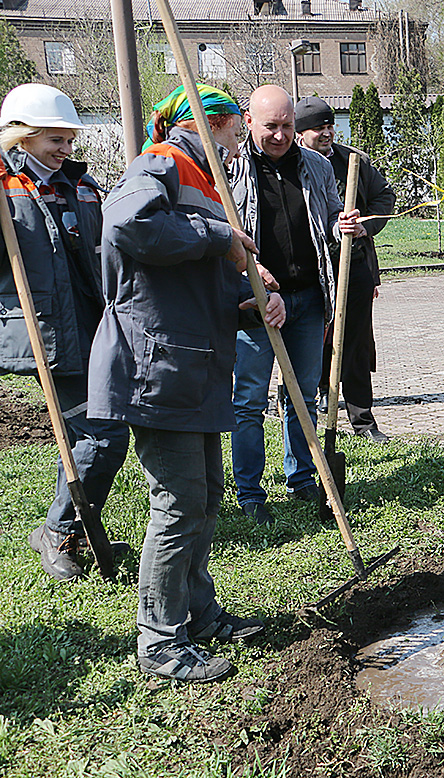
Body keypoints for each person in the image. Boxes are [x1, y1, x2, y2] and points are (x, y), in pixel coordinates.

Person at [89, 84, 286, 682]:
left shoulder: (202, 180)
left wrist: (254, 299)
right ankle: (160, 640)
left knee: (204, 496)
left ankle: (197, 616)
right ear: (211, 124)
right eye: (231, 131)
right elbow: (127, 226)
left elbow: (198, 282)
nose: (236, 145)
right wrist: (219, 237)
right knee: (177, 503)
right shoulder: (163, 164)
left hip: (194, 368)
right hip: (157, 368)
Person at [0, 83, 130, 581]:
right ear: (23, 138)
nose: (66, 150)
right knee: (101, 435)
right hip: (49, 335)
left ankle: (66, 528)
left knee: (86, 436)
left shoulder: (80, 185)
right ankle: (59, 530)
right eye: (55, 140)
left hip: (95, 327)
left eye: (69, 140)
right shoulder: (7, 189)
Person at [229, 86, 362, 526]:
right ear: (248, 120)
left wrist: (343, 224)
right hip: (256, 301)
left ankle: (303, 478)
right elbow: (222, 235)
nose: (282, 135)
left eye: (288, 126)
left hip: (307, 298)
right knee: (248, 399)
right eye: (272, 126)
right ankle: (249, 492)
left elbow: (327, 218)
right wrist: (254, 280)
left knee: (302, 396)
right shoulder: (230, 168)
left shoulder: (317, 166)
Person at [293, 96, 394, 443]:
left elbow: (385, 197)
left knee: (355, 344)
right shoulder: (294, 164)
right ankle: (317, 397)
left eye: (330, 125)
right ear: (300, 133)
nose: (327, 132)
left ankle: (363, 422)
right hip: (312, 268)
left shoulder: (354, 161)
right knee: (313, 338)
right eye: (318, 128)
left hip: (354, 265)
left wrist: (366, 225)